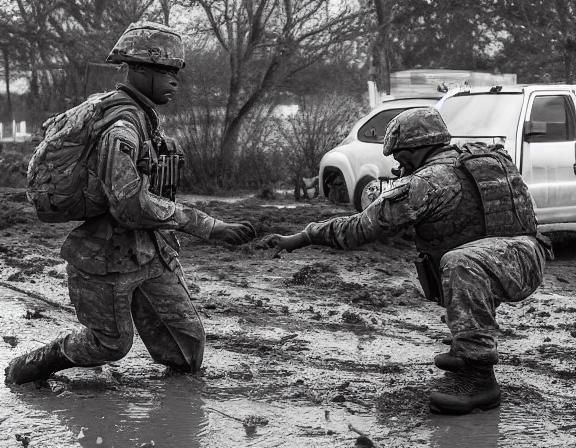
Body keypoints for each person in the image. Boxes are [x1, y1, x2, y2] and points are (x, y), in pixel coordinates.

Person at [5, 22, 255, 385]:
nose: (174, 81)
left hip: (151, 251)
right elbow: (129, 205)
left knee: (186, 348)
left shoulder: (144, 118)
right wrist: (207, 226)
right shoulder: (121, 127)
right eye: (164, 71)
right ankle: (29, 369)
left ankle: (176, 422)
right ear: (137, 69)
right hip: (106, 257)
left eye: (175, 72)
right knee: (109, 344)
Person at [263, 107, 552, 415]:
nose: (398, 163)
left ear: (414, 150)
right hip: (525, 257)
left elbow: (360, 228)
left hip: (498, 261)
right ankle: (465, 349)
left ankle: (479, 380)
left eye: (399, 155)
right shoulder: (476, 160)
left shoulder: (427, 182)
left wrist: (303, 237)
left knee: (459, 262)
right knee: (449, 259)